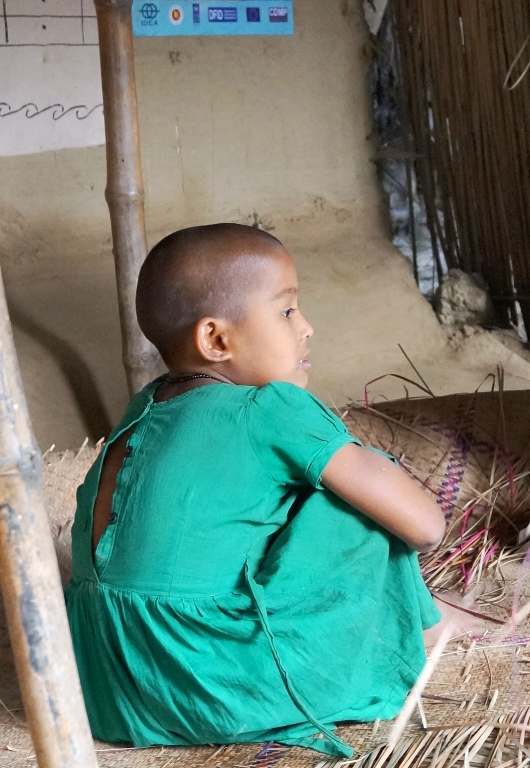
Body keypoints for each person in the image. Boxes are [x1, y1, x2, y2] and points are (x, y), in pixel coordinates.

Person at [65, 224, 446, 757]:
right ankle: (424, 628)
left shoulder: (144, 408)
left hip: (106, 687)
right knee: (359, 487)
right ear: (215, 340)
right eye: (287, 311)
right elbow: (426, 526)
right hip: (218, 687)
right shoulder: (269, 407)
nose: (307, 327)